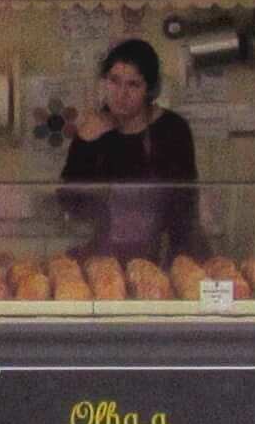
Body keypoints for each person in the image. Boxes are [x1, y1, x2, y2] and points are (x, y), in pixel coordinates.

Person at [57, 37, 200, 264]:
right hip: (104, 254)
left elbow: (184, 206)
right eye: (114, 81)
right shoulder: (93, 128)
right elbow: (71, 204)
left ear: (150, 90)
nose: (121, 94)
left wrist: (176, 260)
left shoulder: (173, 129)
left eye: (133, 84)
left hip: (159, 254)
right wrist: (85, 143)